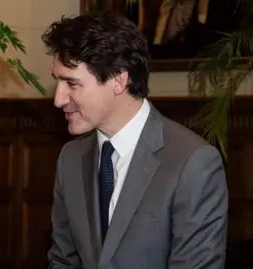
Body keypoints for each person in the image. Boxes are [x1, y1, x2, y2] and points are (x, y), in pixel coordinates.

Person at [41, 11, 228, 269]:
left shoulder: (193, 163)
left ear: (118, 80)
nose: (58, 99)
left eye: (71, 84)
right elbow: (63, 260)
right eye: (58, 82)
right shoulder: (70, 158)